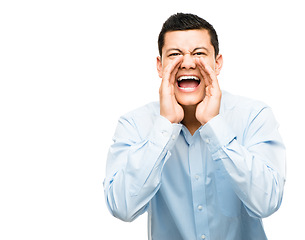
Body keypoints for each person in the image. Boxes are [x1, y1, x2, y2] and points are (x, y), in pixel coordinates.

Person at [103, 13, 286, 240]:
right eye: (175, 54)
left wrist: (214, 125)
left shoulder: (254, 116)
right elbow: (122, 207)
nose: (188, 63)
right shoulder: (134, 124)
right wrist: (164, 126)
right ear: (160, 66)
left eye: (199, 54)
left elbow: (267, 203)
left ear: (217, 63)